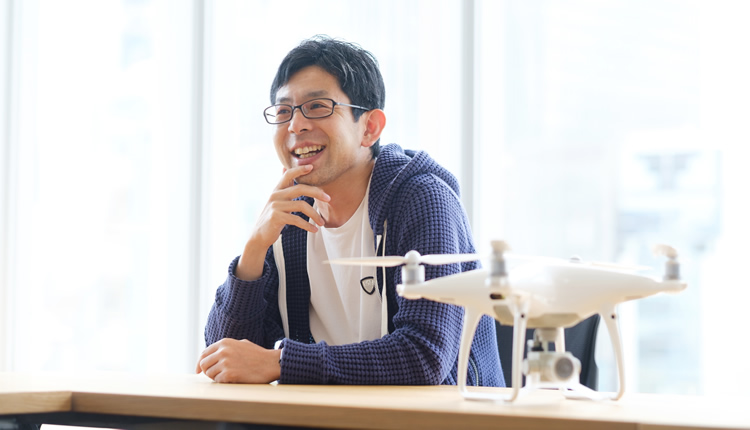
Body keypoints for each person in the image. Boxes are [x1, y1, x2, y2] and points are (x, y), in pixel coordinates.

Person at [196, 35, 504, 387]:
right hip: (333, 413)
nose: (295, 125)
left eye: (317, 106)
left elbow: (425, 356)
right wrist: (253, 251)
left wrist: (282, 362)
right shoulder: (290, 214)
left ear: (369, 128)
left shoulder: (422, 199)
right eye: (283, 112)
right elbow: (226, 356)